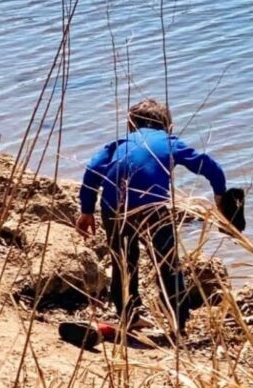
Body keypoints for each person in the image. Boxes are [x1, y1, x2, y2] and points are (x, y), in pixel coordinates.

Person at [75, 99, 227, 335]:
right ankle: (178, 323)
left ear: (130, 125)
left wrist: (86, 210)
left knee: (124, 261)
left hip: (113, 207)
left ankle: (129, 315)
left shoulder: (118, 144)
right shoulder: (169, 142)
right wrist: (221, 199)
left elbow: (93, 169)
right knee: (167, 263)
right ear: (170, 126)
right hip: (152, 207)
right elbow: (210, 167)